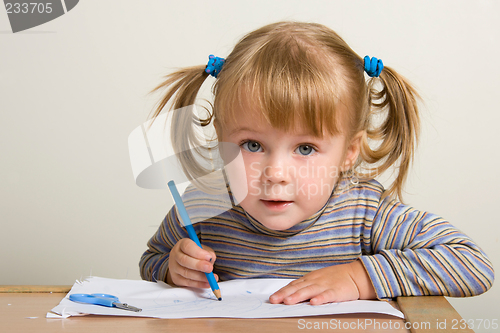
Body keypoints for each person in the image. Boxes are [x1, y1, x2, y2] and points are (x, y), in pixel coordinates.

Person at [139, 21, 494, 305]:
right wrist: (173, 269)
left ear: (349, 151)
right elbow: (152, 259)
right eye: (252, 144)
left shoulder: (366, 215)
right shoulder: (203, 208)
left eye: (305, 149)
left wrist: (359, 277)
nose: (276, 173)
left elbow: (472, 265)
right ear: (222, 139)